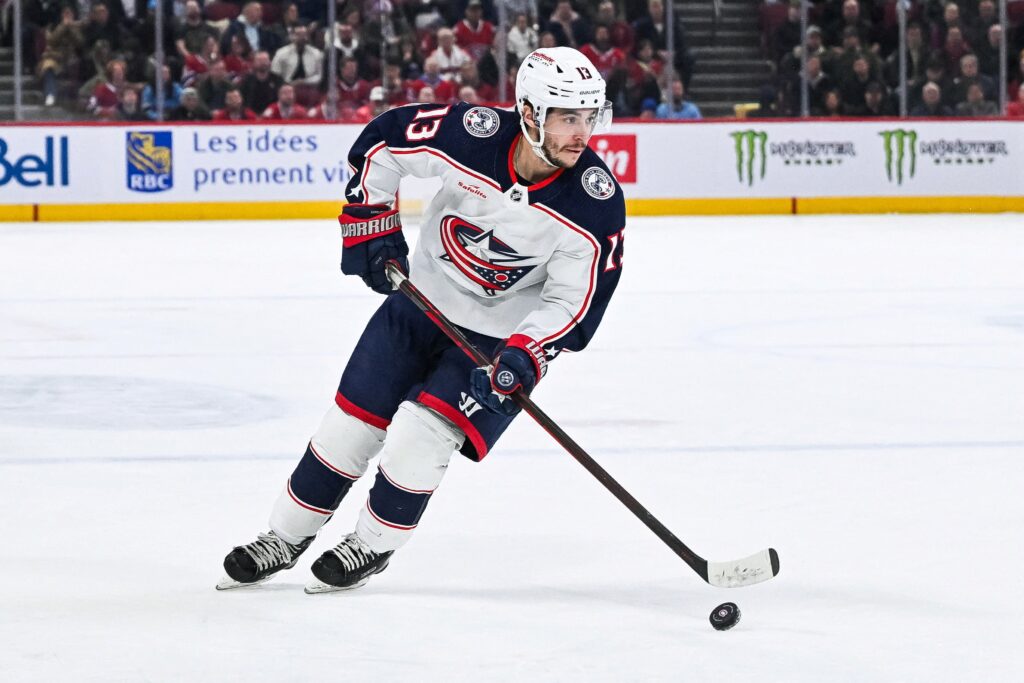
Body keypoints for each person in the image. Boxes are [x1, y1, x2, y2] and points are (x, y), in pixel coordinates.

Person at [217, 46, 626, 593]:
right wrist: (371, 221)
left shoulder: (595, 203)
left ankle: (370, 545)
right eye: (567, 117)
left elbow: (576, 300)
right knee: (347, 429)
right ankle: (284, 537)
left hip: (493, 342)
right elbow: (383, 144)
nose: (582, 133)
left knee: (420, 437)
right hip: (417, 305)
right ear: (529, 113)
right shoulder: (471, 134)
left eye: (589, 117)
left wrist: (527, 352)